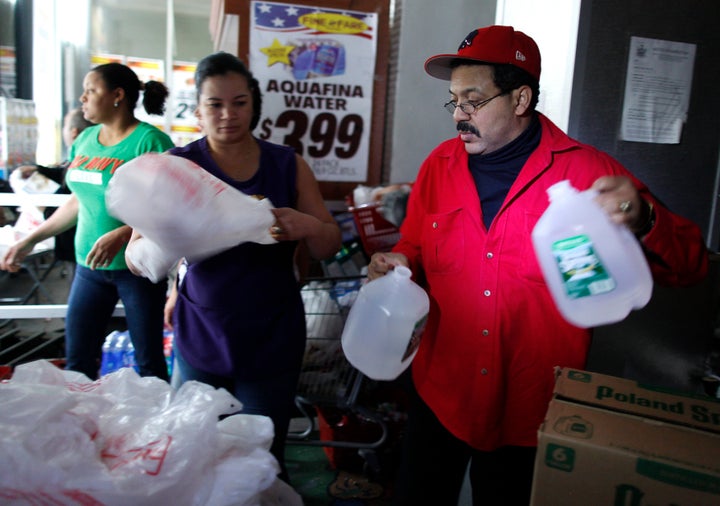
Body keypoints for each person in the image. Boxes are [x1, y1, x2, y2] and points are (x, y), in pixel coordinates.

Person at [366, 25, 709, 505]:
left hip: (528, 408)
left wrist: (645, 217)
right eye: (453, 101)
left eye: (473, 101)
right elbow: (417, 243)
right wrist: (400, 260)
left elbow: (691, 266)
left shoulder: (589, 174)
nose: (458, 116)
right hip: (441, 392)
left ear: (521, 98)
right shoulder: (438, 167)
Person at [128, 52, 342, 482]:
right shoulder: (177, 167)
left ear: (254, 104)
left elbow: (329, 243)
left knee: (262, 456)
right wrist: (162, 249)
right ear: (199, 108)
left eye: (239, 103)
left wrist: (304, 225)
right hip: (202, 331)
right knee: (192, 450)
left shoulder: (288, 165)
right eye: (215, 104)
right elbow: (136, 254)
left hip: (272, 331)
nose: (228, 115)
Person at [0, 63, 175, 381]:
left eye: (91, 90)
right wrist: (29, 241)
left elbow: (169, 210)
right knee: (78, 361)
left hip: (136, 271)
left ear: (117, 96)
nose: (82, 98)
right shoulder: (86, 140)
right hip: (88, 268)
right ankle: (82, 429)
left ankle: (154, 431)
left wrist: (122, 235)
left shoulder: (151, 143)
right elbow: (77, 202)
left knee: (149, 364)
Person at [15, 107, 94, 270]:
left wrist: (42, 206)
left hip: (80, 245)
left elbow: (73, 203)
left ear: (74, 132)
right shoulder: (81, 156)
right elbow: (65, 174)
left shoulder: (86, 160)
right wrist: (38, 169)